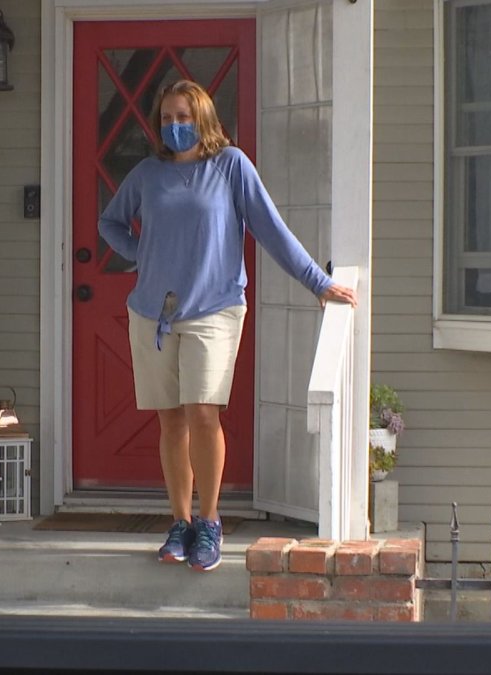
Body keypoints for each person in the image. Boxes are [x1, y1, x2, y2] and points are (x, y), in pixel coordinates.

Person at [97, 80, 357, 572]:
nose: (175, 126)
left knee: (202, 414)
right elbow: (110, 223)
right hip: (153, 313)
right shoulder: (147, 174)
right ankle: (180, 523)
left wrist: (317, 283)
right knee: (170, 420)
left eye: (184, 117)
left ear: (204, 119)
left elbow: (270, 229)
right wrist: (142, 257)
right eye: (167, 118)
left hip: (213, 309)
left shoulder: (230, 166)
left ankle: (210, 522)